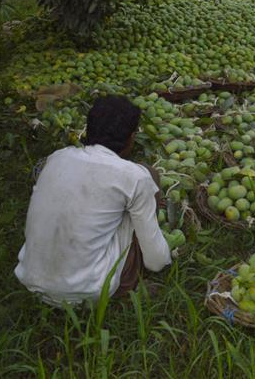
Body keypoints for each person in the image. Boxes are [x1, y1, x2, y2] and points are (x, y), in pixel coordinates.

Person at [15, 96, 172, 305]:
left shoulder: (56, 158)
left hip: (31, 279)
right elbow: (156, 261)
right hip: (88, 291)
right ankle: (126, 287)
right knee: (149, 178)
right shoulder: (135, 177)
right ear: (132, 137)